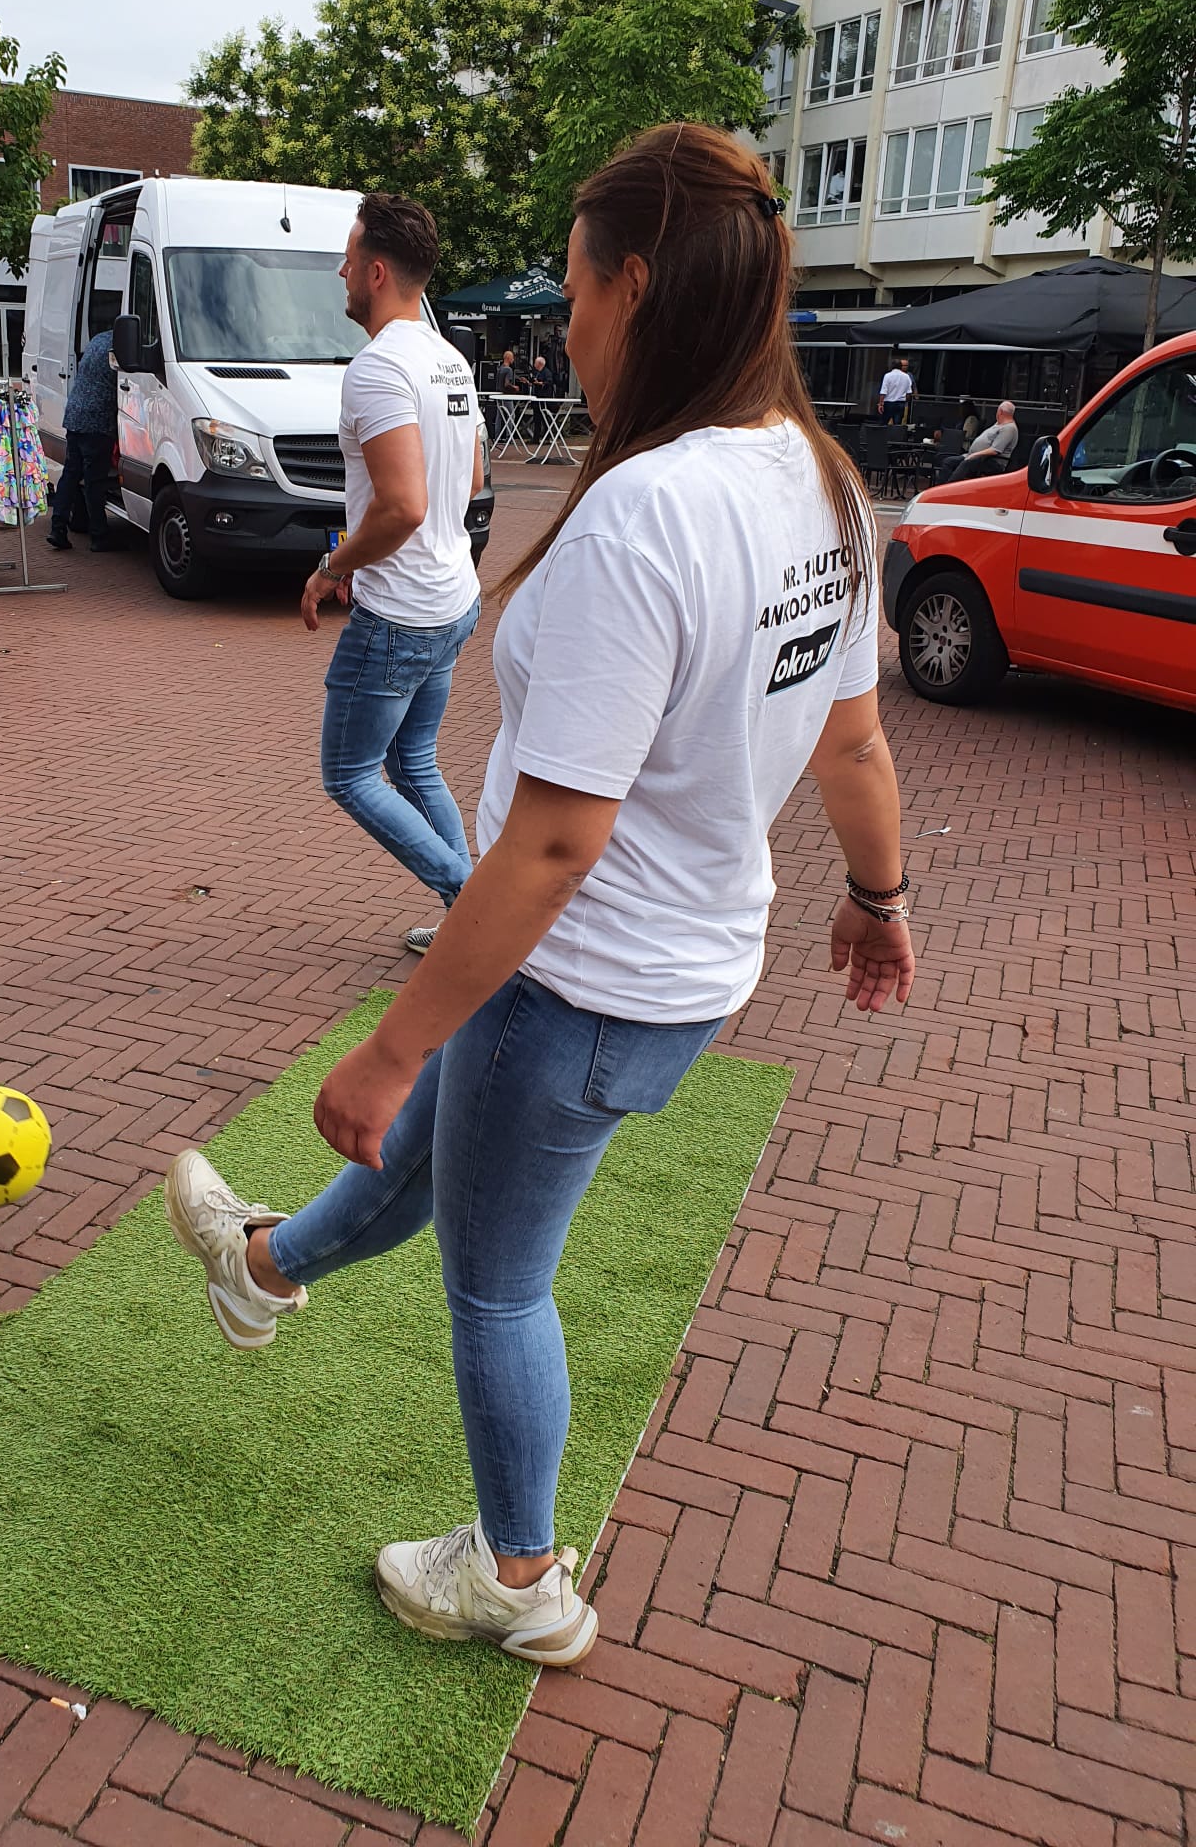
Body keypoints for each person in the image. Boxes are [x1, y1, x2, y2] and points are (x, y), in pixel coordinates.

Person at [164, 125, 914, 1670]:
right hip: (686, 974)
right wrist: (878, 897)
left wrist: (389, 1042)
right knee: (440, 1166)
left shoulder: (650, 513)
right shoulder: (822, 479)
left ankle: (518, 1578)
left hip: (583, 981)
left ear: (634, 285)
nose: (563, 323)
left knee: (495, 1279)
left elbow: (557, 845)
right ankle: (261, 1270)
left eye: (575, 287)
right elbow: (852, 738)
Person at [299, 190, 484, 957]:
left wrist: (329, 568)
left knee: (350, 774)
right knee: (412, 760)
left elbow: (403, 507)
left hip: (403, 610)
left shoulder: (376, 370)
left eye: (347, 259)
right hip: (452, 599)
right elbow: (468, 482)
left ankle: (479, 911)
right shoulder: (449, 359)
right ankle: (468, 911)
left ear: (375, 272)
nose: (339, 271)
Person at [48, 328, 119, 552]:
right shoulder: (120, 349)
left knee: (70, 475)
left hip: (75, 415)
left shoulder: (98, 339)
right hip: (97, 421)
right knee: (93, 481)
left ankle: (57, 528)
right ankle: (99, 534)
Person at [939, 400, 1018, 483]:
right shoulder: (998, 424)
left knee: (967, 463)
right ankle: (939, 488)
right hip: (975, 457)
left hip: (992, 462)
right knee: (948, 462)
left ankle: (950, 489)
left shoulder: (1009, 428)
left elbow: (995, 450)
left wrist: (974, 455)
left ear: (1000, 412)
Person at [877, 356, 914, 424]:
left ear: (892, 366)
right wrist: (905, 401)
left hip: (888, 403)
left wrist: (881, 404)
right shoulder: (906, 376)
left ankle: (883, 434)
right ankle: (896, 434)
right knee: (897, 424)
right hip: (900, 403)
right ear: (901, 366)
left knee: (883, 423)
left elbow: (883, 391)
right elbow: (909, 392)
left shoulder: (888, 376)